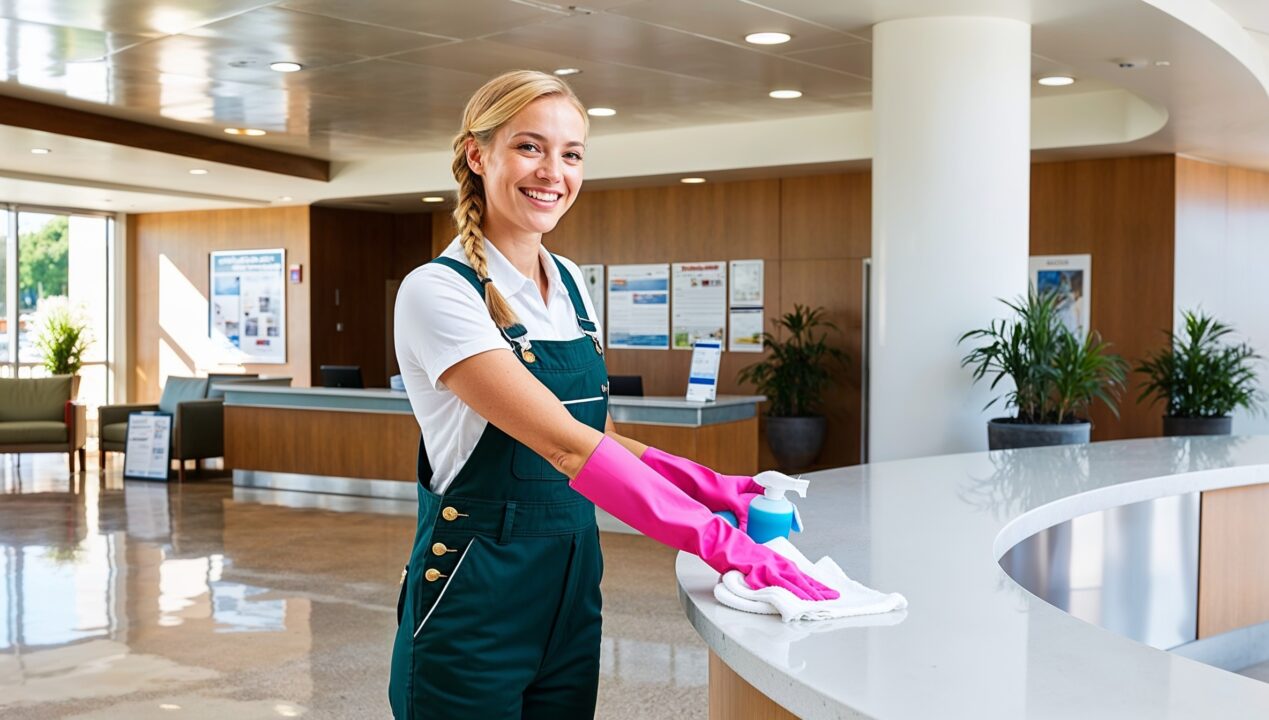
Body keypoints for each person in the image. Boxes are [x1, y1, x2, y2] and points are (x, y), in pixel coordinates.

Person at [389, 70, 837, 720]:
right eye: (529, 146)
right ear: (477, 154)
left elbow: (592, 432)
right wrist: (715, 541)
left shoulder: (570, 282)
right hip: (474, 594)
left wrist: (708, 484)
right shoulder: (438, 292)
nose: (552, 172)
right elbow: (562, 446)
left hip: (571, 591)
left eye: (571, 154)